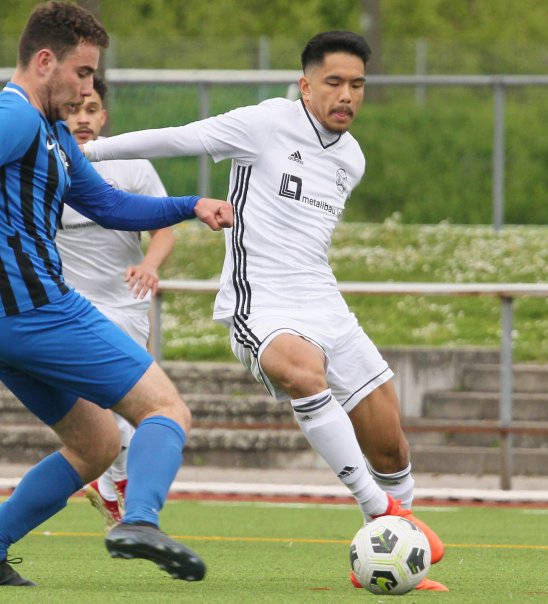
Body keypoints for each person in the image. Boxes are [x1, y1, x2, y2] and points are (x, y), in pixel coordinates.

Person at [83, 31, 447, 592]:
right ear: (305, 86)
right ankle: (383, 518)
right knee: (303, 372)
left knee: (392, 443)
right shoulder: (265, 122)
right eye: (333, 83)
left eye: (357, 85)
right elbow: (178, 138)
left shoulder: (353, 158)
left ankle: (402, 540)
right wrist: (84, 151)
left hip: (323, 299)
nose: (346, 95)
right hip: (262, 299)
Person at [0, 1, 232, 587]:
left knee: (96, 442)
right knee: (165, 409)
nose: (87, 87)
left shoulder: (50, 131)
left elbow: (106, 205)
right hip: (36, 308)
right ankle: (142, 522)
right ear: (45, 60)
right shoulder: (17, 115)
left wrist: (190, 205)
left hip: (15, 320)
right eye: (81, 72)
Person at [56, 75, 176, 529]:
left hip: (126, 305)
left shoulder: (132, 166)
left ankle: (111, 489)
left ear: (103, 116)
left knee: (127, 407)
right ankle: (116, 493)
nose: (82, 118)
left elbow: (164, 226)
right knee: (104, 408)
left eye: (91, 110)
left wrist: (151, 265)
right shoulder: (45, 167)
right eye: (74, 109)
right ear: (61, 111)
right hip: (70, 308)